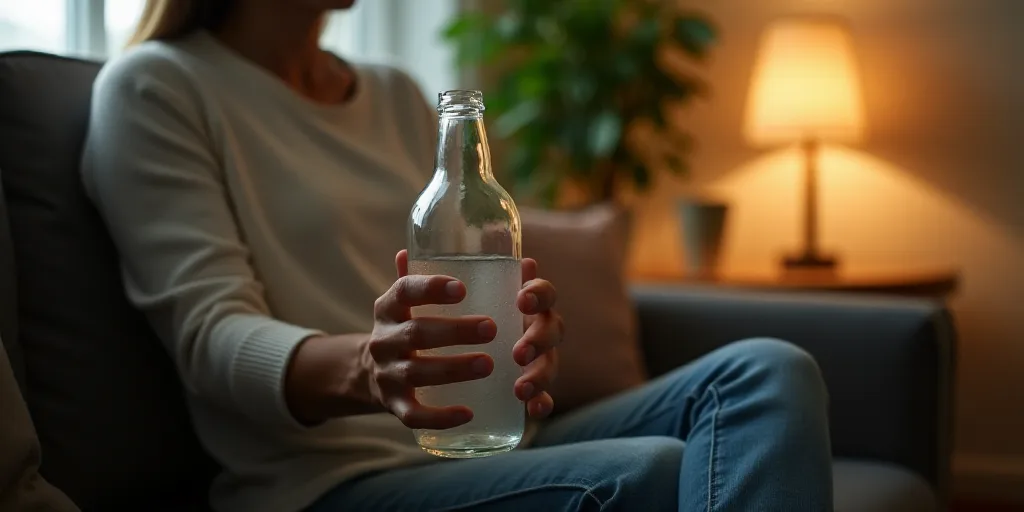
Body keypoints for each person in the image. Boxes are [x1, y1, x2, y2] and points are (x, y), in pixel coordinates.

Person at [80, 0, 835, 511]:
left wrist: (532, 342)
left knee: (769, 371)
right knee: (651, 474)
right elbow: (208, 338)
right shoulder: (155, 89)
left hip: (488, 441)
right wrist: (370, 369)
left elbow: (468, 289)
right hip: (334, 479)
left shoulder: (398, 95)